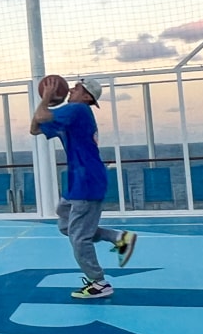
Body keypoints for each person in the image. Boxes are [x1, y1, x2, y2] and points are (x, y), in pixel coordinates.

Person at [31, 76, 138, 299]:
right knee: (66, 227)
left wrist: (48, 98)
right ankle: (119, 238)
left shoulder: (78, 110)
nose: (71, 89)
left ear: (86, 96)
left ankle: (99, 283)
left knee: (79, 238)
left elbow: (41, 117)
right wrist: (46, 102)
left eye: (77, 88)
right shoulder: (69, 114)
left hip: (87, 181)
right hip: (76, 182)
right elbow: (35, 128)